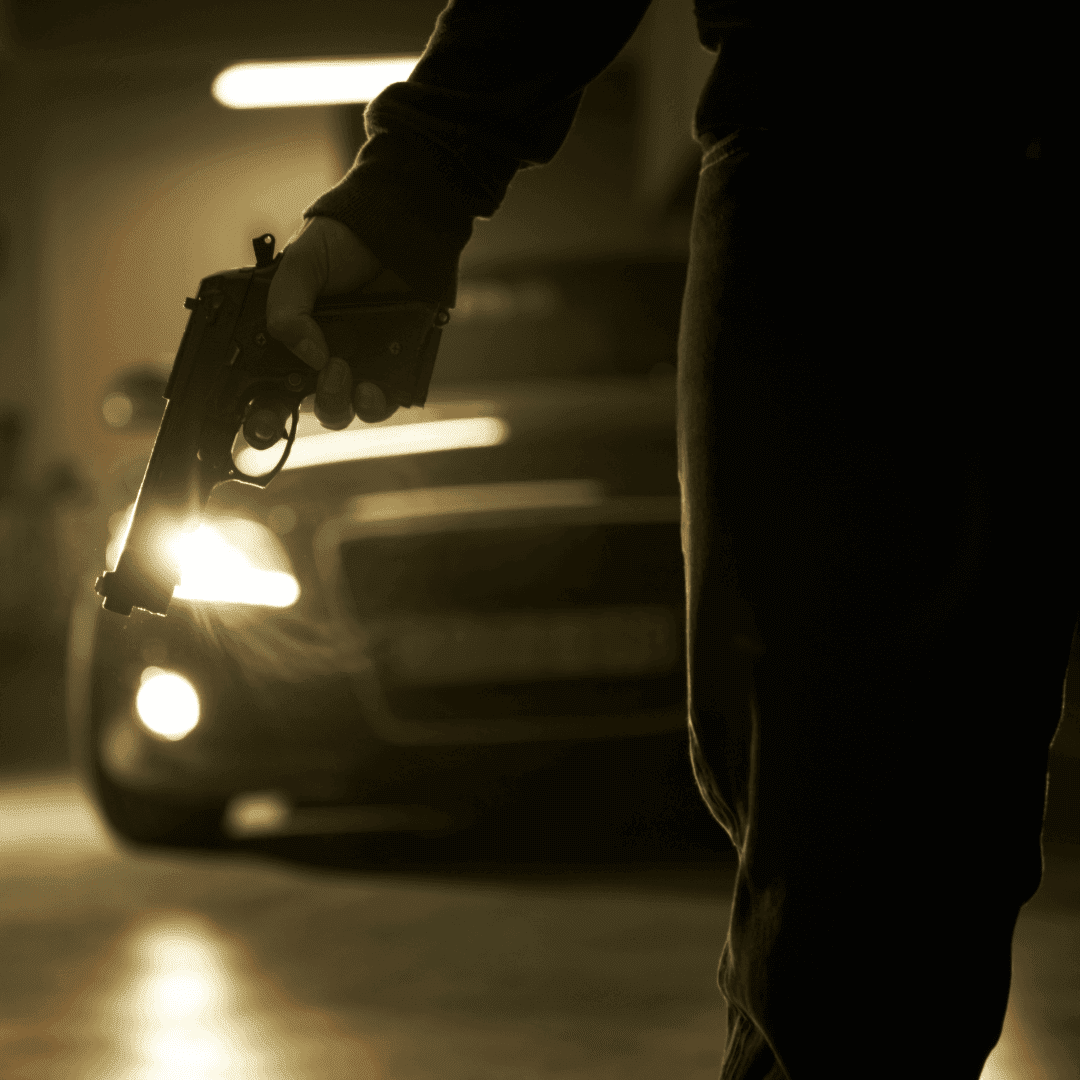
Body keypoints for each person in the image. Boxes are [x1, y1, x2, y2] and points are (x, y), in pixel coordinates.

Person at [266, 3, 1067, 1076]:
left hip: (854, 173)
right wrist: (413, 181)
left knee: (864, 880)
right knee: (860, 886)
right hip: (861, 171)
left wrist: (418, 178)